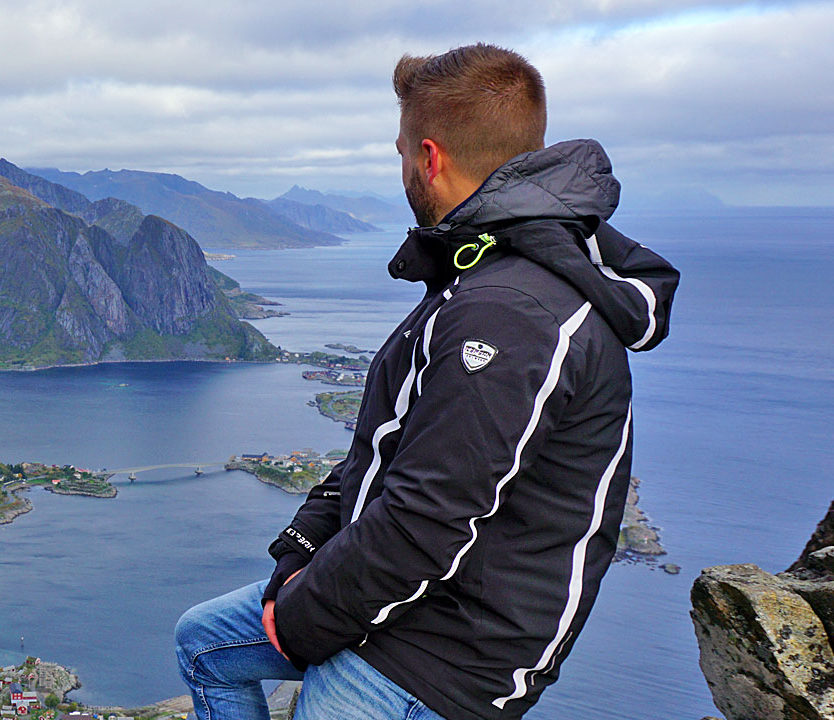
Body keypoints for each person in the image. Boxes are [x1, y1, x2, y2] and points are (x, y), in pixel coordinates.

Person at [173, 43, 680, 720]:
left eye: (401, 152)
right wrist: (301, 545)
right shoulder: (487, 271)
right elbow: (392, 443)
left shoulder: (511, 311)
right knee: (205, 643)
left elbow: (428, 517)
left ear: (429, 157)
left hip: (443, 655)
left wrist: (300, 619)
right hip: (393, 599)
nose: (403, 167)